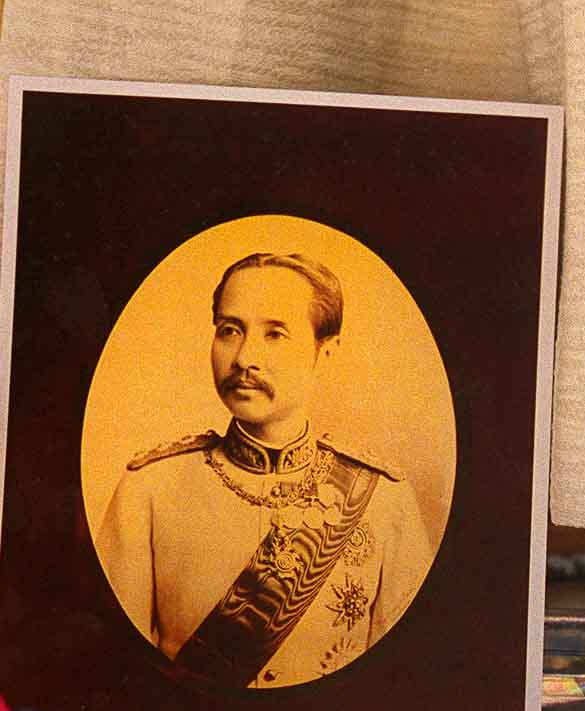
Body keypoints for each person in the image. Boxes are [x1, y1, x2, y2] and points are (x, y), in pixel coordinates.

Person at [98, 251, 435, 688]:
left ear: (325, 352)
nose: (243, 358)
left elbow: (405, 684)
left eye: (275, 334)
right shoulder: (148, 490)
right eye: (229, 330)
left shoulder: (384, 501)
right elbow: (114, 675)